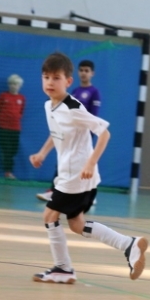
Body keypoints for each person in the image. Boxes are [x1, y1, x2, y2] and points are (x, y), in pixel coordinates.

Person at [29, 52, 147, 283]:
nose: (50, 82)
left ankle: (63, 268)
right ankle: (128, 244)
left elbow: (104, 133)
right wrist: (42, 153)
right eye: (46, 77)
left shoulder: (73, 108)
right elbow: (57, 133)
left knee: (49, 215)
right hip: (70, 176)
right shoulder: (49, 106)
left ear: (68, 81)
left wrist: (91, 162)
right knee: (77, 224)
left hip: (77, 175)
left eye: (56, 78)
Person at [37, 59, 100, 201]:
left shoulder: (94, 92)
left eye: (87, 71)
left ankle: (86, 192)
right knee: (65, 162)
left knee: (79, 163)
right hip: (68, 133)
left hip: (82, 134)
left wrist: (87, 134)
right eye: (81, 70)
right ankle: (57, 191)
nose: (83, 73)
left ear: (92, 73)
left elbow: (93, 118)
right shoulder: (75, 92)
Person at [0, 74, 25, 179]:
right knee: (6, 149)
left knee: (14, 149)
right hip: (3, 128)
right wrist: (0, 121)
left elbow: (21, 112)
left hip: (15, 128)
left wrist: (16, 118)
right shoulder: (3, 96)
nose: (13, 86)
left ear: (19, 86)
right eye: (11, 84)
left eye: (15, 84)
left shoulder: (21, 98)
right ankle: (8, 172)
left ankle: (9, 169)